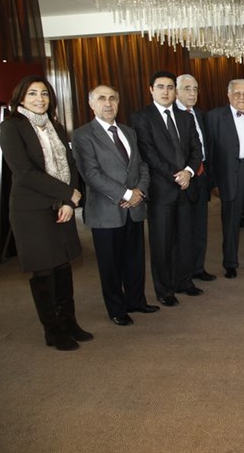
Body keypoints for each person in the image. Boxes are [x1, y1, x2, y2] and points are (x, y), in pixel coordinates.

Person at [0, 76, 93, 350]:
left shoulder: (56, 126)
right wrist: (67, 193)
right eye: (32, 93)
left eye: (44, 94)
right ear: (21, 97)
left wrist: (68, 202)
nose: (39, 99)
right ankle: (53, 331)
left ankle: (69, 322)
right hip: (31, 210)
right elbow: (24, 172)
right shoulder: (11, 126)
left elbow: (70, 164)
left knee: (63, 266)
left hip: (60, 206)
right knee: (44, 270)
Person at [73, 85, 159, 326]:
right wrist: (126, 193)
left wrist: (139, 192)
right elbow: (91, 174)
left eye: (112, 98)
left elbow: (141, 166)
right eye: (102, 98)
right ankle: (116, 309)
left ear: (118, 103)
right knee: (110, 265)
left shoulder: (128, 132)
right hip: (106, 211)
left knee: (135, 259)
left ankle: (136, 301)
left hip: (134, 207)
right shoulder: (82, 135)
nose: (108, 103)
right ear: (91, 104)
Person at [130, 71, 204, 306]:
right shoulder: (141, 117)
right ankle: (164, 290)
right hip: (162, 189)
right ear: (151, 89)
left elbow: (196, 148)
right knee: (162, 242)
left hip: (186, 186)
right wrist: (177, 175)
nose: (166, 91)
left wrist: (189, 172)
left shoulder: (185, 117)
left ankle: (184, 282)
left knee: (185, 239)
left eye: (170, 87)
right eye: (160, 87)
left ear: (175, 91)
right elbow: (149, 153)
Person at [206, 79, 244, 277]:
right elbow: (210, 152)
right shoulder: (215, 117)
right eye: (237, 93)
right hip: (230, 174)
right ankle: (230, 263)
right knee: (231, 221)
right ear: (228, 95)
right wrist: (213, 182)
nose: (241, 97)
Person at [175, 74, 217, 282]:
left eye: (195, 89)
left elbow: (208, 148)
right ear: (176, 92)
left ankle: (198, 268)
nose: (192, 93)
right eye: (187, 89)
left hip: (201, 176)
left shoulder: (200, 115)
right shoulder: (172, 115)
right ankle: (183, 274)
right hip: (181, 180)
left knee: (201, 225)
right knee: (184, 229)